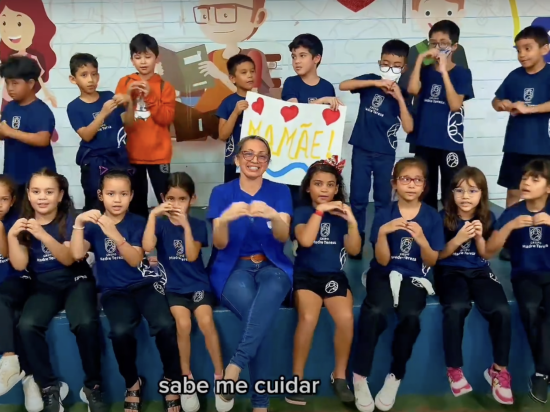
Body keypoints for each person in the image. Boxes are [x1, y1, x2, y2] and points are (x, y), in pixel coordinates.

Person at [69, 169, 182, 412]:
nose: (117, 199)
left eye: (123, 194)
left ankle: (171, 380)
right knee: (120, 332)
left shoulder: (137, 222)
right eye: (111, 193)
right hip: (113, 291)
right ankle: (132, 383)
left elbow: (134, 259)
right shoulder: (92, 226)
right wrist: (78, 224)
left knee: (165, 324)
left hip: (143, 284)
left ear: (131, 196)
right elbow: (77, 254)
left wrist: (116, 235)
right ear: (101, 195)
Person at [207, 135, 293, 412]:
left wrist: (273, 215)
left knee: (266, 300)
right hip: (234, 267)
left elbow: (283, 237)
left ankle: (235, 367)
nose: (254, 160)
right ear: (237, 158)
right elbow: (219, 244)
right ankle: (261, 403)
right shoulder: (222, 193)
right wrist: (225, 219)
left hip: (272, 265)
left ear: (268, 162)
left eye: (261, 156)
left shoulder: (280, 192)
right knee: (259, 321)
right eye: (248, 154)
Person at [7, 169, 105, 412]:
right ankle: (50, 387)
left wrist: (42, 235)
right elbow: (19, 265)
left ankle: (93, 386)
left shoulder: (72, 219)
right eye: (36, 191)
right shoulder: (21, 224)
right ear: (28, 195)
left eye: (49, 192)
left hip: (75, 279)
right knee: (27, 325)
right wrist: (11, 236)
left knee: (85, 322)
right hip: (44, 285)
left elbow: (70, 258)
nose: (42, 197)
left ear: (60, 195)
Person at [353, 157, 445, 412]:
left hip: (414, 277)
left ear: (425, 186)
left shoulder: (431, 217)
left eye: (417, 180)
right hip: (384, 273)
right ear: (394, 183)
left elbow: (432, 259)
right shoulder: (384, 213)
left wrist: (423, 241)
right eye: (405, 179)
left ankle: (396, 375)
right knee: (374, 312)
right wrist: (383, 232)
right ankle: (360, 376)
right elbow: (382, 259)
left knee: (410, 317)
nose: (411, 185)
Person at [142, 172, 226, 412]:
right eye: (171, 199)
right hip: (174, 288)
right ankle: (186, 379)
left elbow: (190, 255)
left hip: (198, 285)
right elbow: (147, 247)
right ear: (163, 198)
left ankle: (220, 378)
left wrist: (186, 225)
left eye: (182, 199)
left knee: (206, 320)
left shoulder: (198, 224)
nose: (176, 204)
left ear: (192, 199)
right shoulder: (159, 224)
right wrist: (152, 216)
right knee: (183, 323)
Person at [435, 166, 512, 404]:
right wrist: (458, 239)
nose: (465, 196)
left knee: (501, 310)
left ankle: (498, 371)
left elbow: (487, 255)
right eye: (459, 190)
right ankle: (454, 369)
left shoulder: (488, 217)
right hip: (449, 270)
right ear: (451, 193)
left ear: (482, 194)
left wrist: (478, 237)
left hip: (479, 270)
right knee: (456, 307)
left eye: (472, 191)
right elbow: (438, 256)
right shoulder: (442, 218)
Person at [286, 158, 360, 406]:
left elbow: (354, 249)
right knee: (308, 317)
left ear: (337, 188)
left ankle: (339, 376)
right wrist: (320, 212)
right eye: (318, 184)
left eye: (330, 184)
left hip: (333, 276)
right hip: (306, 275)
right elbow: (305, 240)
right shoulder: (301, 211)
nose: (325, 189)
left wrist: (352, 222)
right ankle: (296, 378)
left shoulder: (342, 214)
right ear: (308, 188)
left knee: (346, 318)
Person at [340, 39, 414, 258]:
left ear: (404, 67)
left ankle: (378, 239)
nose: (390, 69)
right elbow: (344, 85)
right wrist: (374, 83)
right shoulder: (370, 81)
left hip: (384, 154)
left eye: (396, 65)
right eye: (385, 64)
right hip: (361, 149)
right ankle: (357, 240)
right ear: (379, 62)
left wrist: (399, 98)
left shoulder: (404, 91)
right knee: (358, 199)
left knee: (383, 201)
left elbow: (409, 127)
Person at [486, 159, 550, 404]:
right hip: (525, 275)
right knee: (531, 311)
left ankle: (541, 373)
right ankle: (544, 372)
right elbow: (490, 250)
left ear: (548, 187)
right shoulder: (513, 212)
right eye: (525, 177)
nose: (526, 182)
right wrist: (509, 227)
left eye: (535, 179)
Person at [492, 26, 550, 262]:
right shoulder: (515, 75)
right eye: (518, 50)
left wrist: (531, 108)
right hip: (515, 146)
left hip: (541, 149)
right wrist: (502, 104)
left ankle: (542, 240)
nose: (522, 54)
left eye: (528, 48)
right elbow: (495, 100)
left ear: (545, 49)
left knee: (544, 195)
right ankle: (511, 240)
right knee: (514, 193)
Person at [282, 33, 342, 254]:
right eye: (293, 56)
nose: (296, 61)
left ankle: (315, 238)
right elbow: (295, 113)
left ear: (316, 59)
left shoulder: (327, 87)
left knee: (313, 197)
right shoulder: (291, 83)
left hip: (316, 154)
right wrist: (323, 102)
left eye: (302, 55)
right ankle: (296, 240)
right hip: (293, 155)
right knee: (295, 198)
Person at [407, 20, 474, 210]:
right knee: (425, 190)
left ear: (454, 47)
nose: (437, 47)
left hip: (448, 142)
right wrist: (420, 60)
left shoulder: (462, 73)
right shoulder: (426, 72)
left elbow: (455, 105)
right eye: (433, 43)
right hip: (424, 140)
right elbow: (412, 89)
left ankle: (449, 233)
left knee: (452, 191)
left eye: (443, 43)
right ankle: (428, 231)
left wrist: (444, 72)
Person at [115, 33, 176, 218]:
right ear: (132, 59)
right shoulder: (125, 82)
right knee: (136, 203)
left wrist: (149, 95)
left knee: (166, 201)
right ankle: (139, 242)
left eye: (148, 56)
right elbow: (120, 119)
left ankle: (168, 237)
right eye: (138, 57)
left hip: (159, 154)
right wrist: (128, 97)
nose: (143, 61)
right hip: (133, 154)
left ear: (156, 58)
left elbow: (166, 119)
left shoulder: (166, 86)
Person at [0, 175, 42, 412]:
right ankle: (30, 377)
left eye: (3, 199)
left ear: (12, 200)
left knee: (8, 304)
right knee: (14, 317)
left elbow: (9, 258)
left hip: (17, 280)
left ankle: (9, 359)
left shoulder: (19, 222)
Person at [67, 53, 130, 212]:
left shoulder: (109, 96)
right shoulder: (74, 107)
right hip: (94, 162)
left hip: (118, 158)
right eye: (84, 75)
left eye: (94, 74)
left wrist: (129, 101)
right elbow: (87, 135)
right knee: (95, 201)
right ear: (73, 79)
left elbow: (128, 122)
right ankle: (93, 234)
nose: (90, 80)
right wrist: (102, 114)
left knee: (119, 200)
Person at [0, 56, 56, 206]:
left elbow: (43, 139)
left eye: (15, 83)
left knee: (36, 218)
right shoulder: (9, 107)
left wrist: (11, 132)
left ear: (31, 83)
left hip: (38, 180)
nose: (10, 88)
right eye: (7, 83)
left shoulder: (41, 110)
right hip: (12, 175)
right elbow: (2, 134)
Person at [217, 54, 256, 183]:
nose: (250, 75)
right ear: (233, 78)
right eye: (244, 72)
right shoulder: (227, 103)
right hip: (233, 162)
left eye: (252, 71)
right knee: (233, 199)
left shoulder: (261, 102)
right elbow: (223, 135)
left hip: (256, 162)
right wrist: (235, 113)